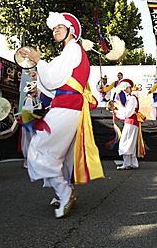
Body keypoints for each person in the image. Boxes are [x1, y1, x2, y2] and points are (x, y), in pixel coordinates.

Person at [19, 12, 104, 218]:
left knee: (41, 148)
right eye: (54, 28)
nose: (55, 30)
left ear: (71, 31)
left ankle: (65, 194)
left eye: (60, 27)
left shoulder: (73, 48)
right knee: (61, 154)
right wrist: (40, 71)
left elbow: (54, 79)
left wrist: (39, 62)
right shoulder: (68, 52)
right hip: (66, 104)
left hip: (67, 105)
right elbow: (50, 84)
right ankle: (63, 192)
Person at [110, 79, 146, 170]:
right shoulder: (130, 98)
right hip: (131, 122)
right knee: (130, 142)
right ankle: (133, 163)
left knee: (126, 142)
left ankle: (127, 163)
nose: (125, 91)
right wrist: (116, 110)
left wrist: (117, 108)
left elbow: (128, 113)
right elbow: (127, 113)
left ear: (129, 88)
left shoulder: (132, 98)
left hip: (131, 122)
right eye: (124, 89)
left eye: (126, 89)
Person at [20, 81, 42, 169]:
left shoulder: (32, 99)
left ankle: (31, 160)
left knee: (31, 141)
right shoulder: (29, 100)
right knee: (28, 141)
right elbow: (29, 113)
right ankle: (27, 161)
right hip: (29, 124)